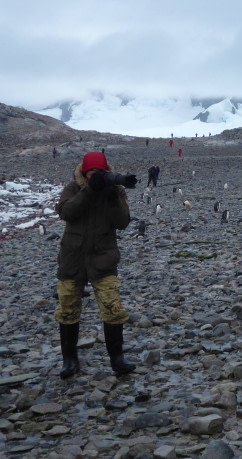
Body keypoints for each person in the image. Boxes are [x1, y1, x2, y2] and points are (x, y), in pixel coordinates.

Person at [54, 151, 138, 379]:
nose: (96, 177)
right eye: (92, 173)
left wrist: (111, 197)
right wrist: (89, 191)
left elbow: (122, 223)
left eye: (100, 173)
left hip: (103, 259)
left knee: (113, 308)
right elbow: (66, 212)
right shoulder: (73, 188)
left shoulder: (116, 191)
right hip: (73, 259)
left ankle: (117, 359)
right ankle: (69, 360)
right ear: (84, 172)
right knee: (68, 308)